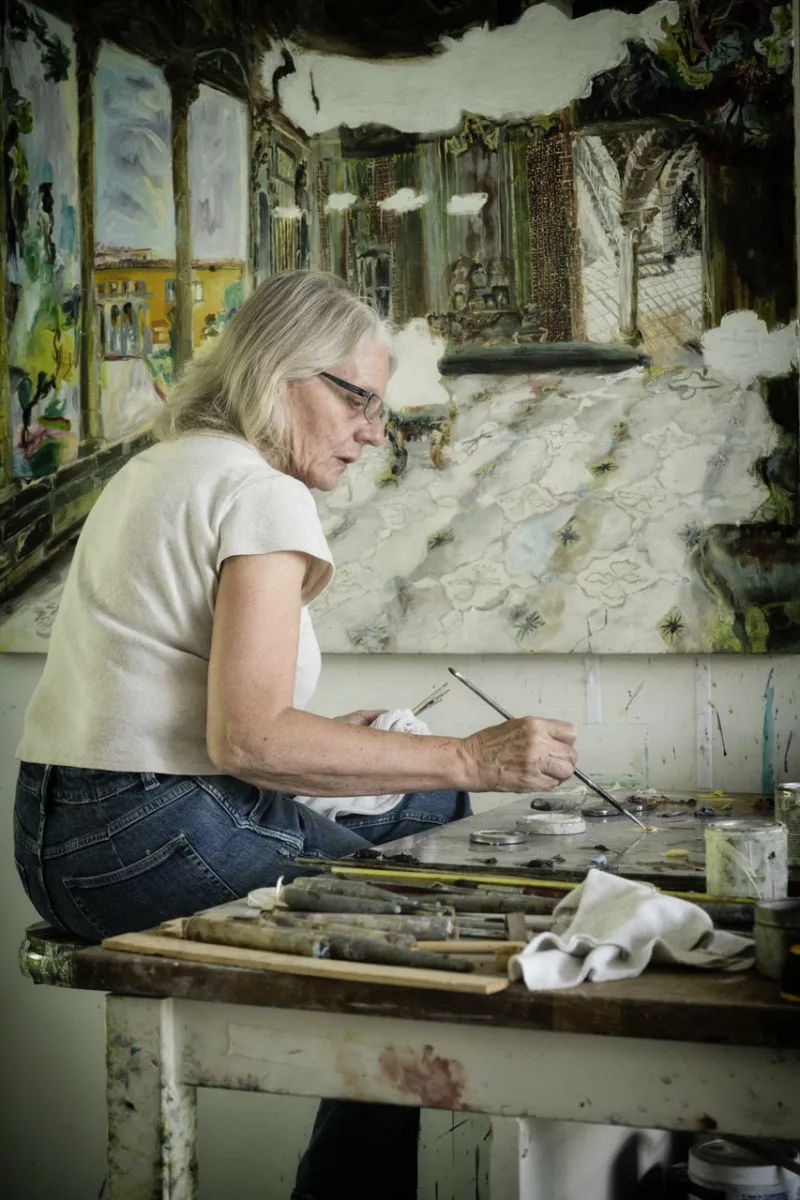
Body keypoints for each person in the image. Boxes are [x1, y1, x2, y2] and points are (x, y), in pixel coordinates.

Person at [14, 268, 578, 1200]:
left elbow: (201, 717)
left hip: (58, 836)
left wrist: (369, 753)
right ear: (280, 373)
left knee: (428, 803)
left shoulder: (162, 465)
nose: (371, 429)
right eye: (355, 396)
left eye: (380, 407)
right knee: (421, 947)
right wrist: (474, 755)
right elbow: (251, 742)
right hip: (141, 835)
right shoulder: (261, 490)